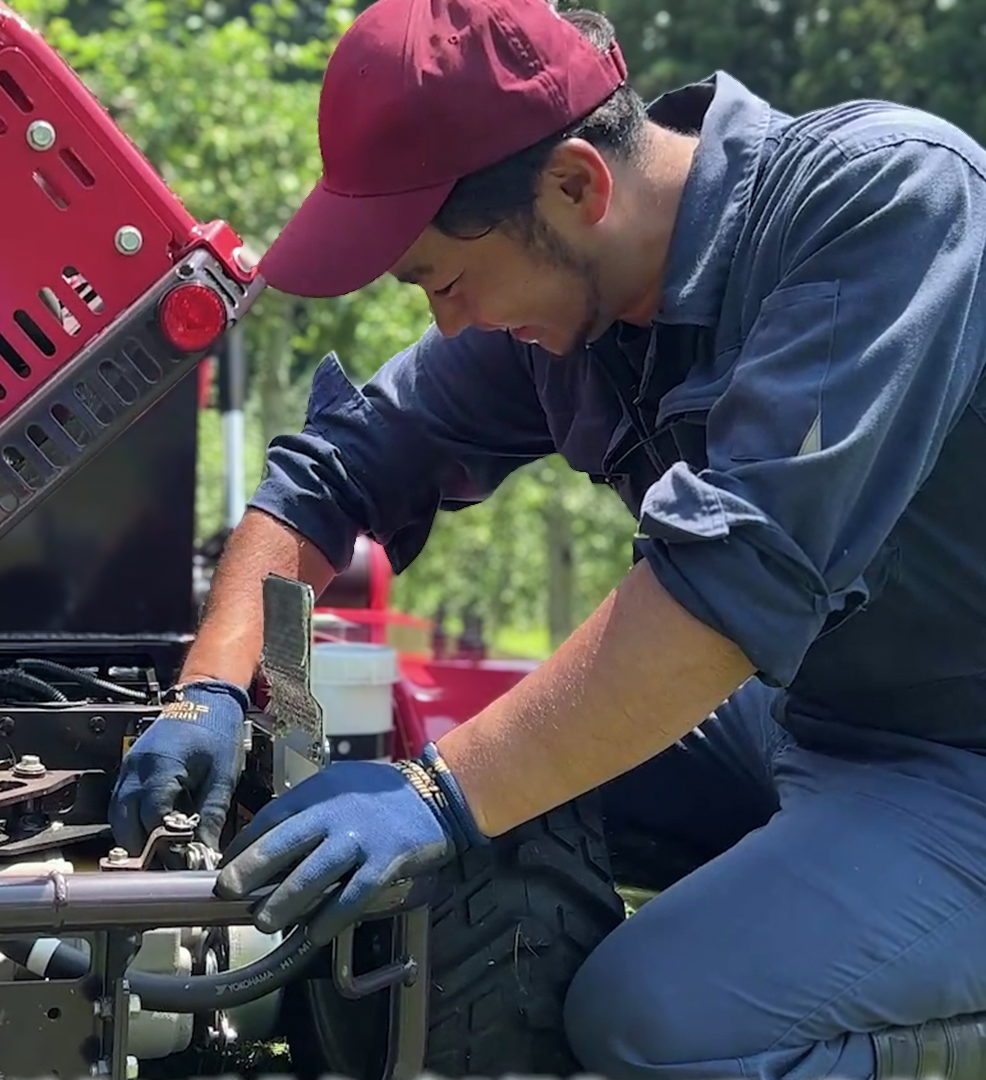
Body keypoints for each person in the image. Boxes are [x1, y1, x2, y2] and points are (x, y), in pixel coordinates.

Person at [106, 0, 986, 1077]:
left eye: (445, 279)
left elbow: (733, 584)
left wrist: (443, 794)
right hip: (809, 713)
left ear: (575, 185)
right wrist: (218, 688)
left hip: (958, 761)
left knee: (644, 1023)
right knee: (456, 805)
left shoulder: (886, 204)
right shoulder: (572, 302)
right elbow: (330, 475)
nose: (444, 324)